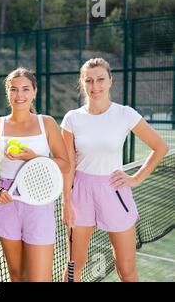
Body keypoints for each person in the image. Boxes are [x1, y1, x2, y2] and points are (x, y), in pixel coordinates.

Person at [60, 58, 169, 282]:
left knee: (126, 270)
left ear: (110, 81)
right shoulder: (72, 119)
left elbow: (160, 147)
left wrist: (136, 179)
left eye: (100, 79)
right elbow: (68, 166)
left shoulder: (125, 114)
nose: (95, 86)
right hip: (80, 194)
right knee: (74, 267)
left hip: (114, 191)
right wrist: (66, 202)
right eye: (89, 80)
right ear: (82, 83)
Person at [0, 67, 70, 282]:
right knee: (17, 276)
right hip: (6, 201)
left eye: (25, 89)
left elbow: (65, 164)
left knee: (39, 279)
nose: (19, 95)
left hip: (39, 200)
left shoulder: (46, 122)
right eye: (13, 89)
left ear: (34, 92)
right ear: (7, 93)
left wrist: (34, 158)